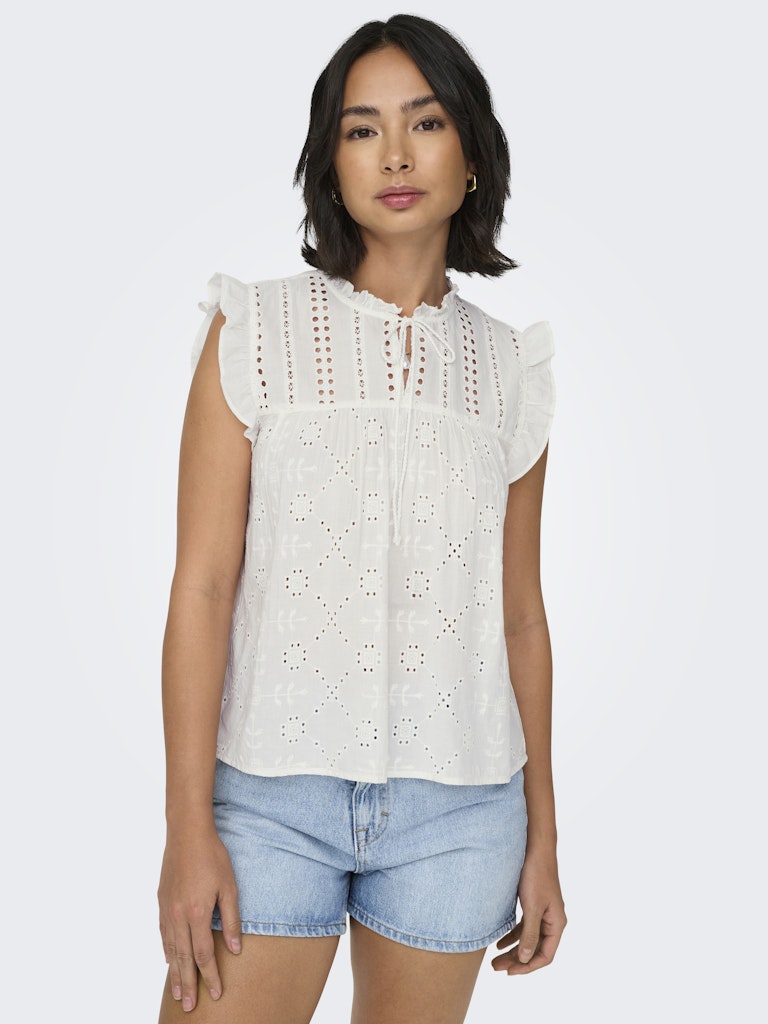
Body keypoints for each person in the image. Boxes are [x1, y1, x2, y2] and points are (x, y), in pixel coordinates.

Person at [157, 13, 566, 1024]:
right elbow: (202, 588)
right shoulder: (253, 331)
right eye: (360, 128)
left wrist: (544, 836)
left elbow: (520, 615)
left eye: (425, 123)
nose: (394, 154)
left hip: (461, 813)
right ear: (328, 164)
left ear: (472, 153)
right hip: (268, 800)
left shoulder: (510, 370)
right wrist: (186, 828)